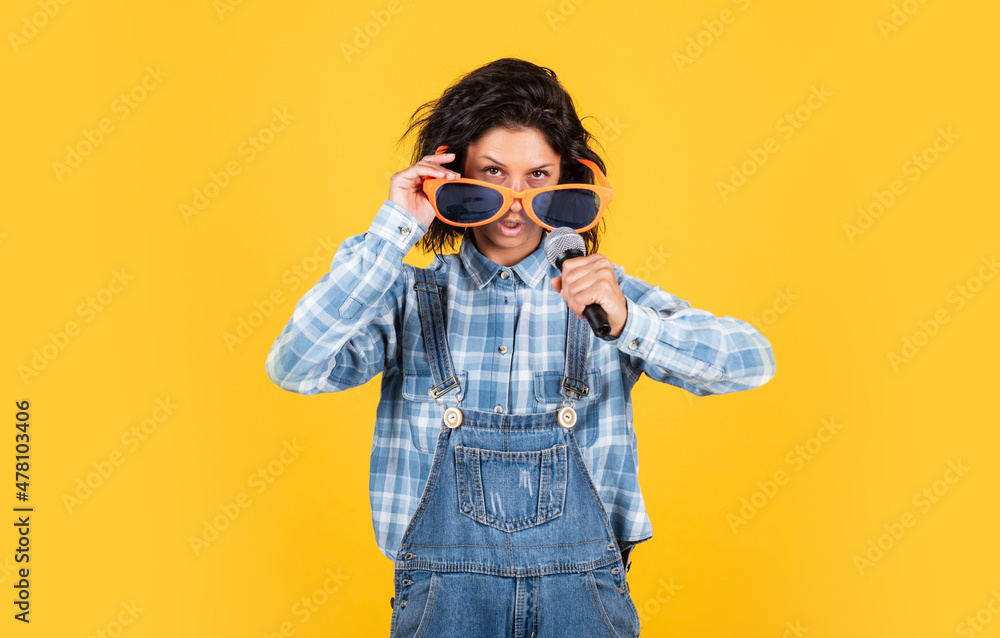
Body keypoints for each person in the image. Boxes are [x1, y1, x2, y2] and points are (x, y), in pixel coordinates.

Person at [265, 58, 775, 637]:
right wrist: (393, 229)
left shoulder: (605, 296)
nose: (513, 198)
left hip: (585, 600)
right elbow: (294, 366)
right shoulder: (405, 298)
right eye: (493, 171)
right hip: (441, 603)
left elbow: (752, 362)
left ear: (565, 182)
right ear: (451, 175)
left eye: (536, 175)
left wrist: (631, 322)